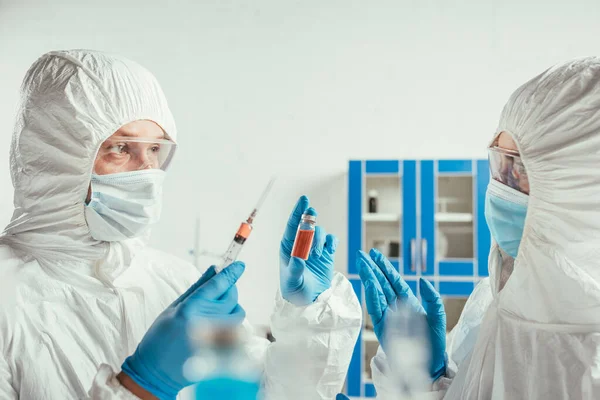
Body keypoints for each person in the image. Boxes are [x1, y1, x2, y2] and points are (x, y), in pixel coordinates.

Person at [0, 49, 362, 399]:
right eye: (122, 148)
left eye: (155, 150)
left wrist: (307, 319)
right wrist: (140, 387)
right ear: (56, 158)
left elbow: (268, 393)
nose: (148, 172)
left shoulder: (175, 281)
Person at [355, 56, 600, 399]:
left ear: (583, 196)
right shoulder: (495, 305)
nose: (500, 186)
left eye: (519, 170)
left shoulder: (588, 363)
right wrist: (430, 380)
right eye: (499, 164)